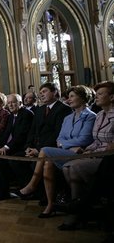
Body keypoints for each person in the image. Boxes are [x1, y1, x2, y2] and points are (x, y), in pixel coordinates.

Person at [17, 85, 95, 216]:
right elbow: (60, 138)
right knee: (47, 163)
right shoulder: (68, 117)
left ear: (82, 98)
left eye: (72, 96)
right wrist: (68, 145)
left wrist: (64, 144)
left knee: (45, 150)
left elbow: (84, 139)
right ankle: (50, 204)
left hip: (80, 154)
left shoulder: (90, 116)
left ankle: (32, 184)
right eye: (68, 97)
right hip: (68, 151)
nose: (69, 100)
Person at [59, 81, 114, 230]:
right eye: (96, 94)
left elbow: (110, 145)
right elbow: (96, 140)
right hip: (95, 152)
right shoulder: (100, 115)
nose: (97, 96)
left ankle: (79, 207)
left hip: (108, 158)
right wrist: (88, 150)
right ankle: (80, 206)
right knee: (67, 168)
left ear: (112, 97)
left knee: (74, 166)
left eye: (101, 93)